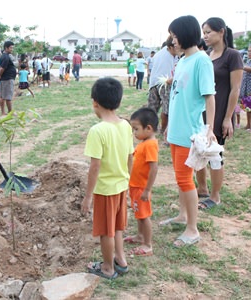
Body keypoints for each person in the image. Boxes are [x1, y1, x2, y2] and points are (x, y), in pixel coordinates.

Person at [160, 15, 216, 247]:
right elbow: (176, 98)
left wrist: (210, 128)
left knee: (185, 180)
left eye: (174, 36)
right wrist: (169, 127)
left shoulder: (202, 60)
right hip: (176, 130)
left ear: (185, 34)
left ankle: (192, 229)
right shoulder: (182, 60)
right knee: (182, 178)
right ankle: (183, 216)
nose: (172, 41)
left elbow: (209, 97)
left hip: (190, 133)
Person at [82, 77, 133, 279]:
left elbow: (95, 166)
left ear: (95, 102)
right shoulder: (126, 126)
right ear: (118, 102)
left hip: (105, 189)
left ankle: (107, 268)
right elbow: (130, 157)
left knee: (106, 231)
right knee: (117, 227)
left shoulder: (97, 130)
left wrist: (87, 196)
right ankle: (120, 260)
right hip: (121, 186)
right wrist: (126, 180)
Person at [196, 17, 243, 210]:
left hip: (220, 111)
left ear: (221, 31)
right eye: (203, 32)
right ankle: (202, 189)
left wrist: (227, 118)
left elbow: (235, 89)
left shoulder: (232, 55)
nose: (205, 36)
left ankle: (215, 196)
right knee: (199, 150)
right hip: (202, 112)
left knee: (215, 154)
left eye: (208, 32)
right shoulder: (206, 55)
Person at [124, 107, 159, 257]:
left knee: (144, 216)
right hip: (135, 185)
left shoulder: (150, 144)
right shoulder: (144, 142)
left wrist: (147, 189)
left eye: (136, 129)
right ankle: (140, 236)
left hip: (141, 187)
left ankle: (147, 245)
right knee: (138, 213)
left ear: (149, 128)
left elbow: (154, 168)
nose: (134, 132)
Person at [147, 36, 179, 137]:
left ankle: (148, 129)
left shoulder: (160, 53)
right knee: (167, 109)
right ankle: (164, 130)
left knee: (152, 108)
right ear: (170, 47)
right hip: (164, 84)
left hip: (153, 83)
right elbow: (170, 77)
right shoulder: (168, 56)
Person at [0, 41, 16, 115]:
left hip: (6, 78)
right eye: (10, 48)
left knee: (3, 96)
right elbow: (2, 68)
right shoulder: (5, 57)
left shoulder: (5, 56)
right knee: (8, 96)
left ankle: (3, 112)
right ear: (6, 48)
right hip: (7, 79)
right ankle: (9, 112)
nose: (11, 49)